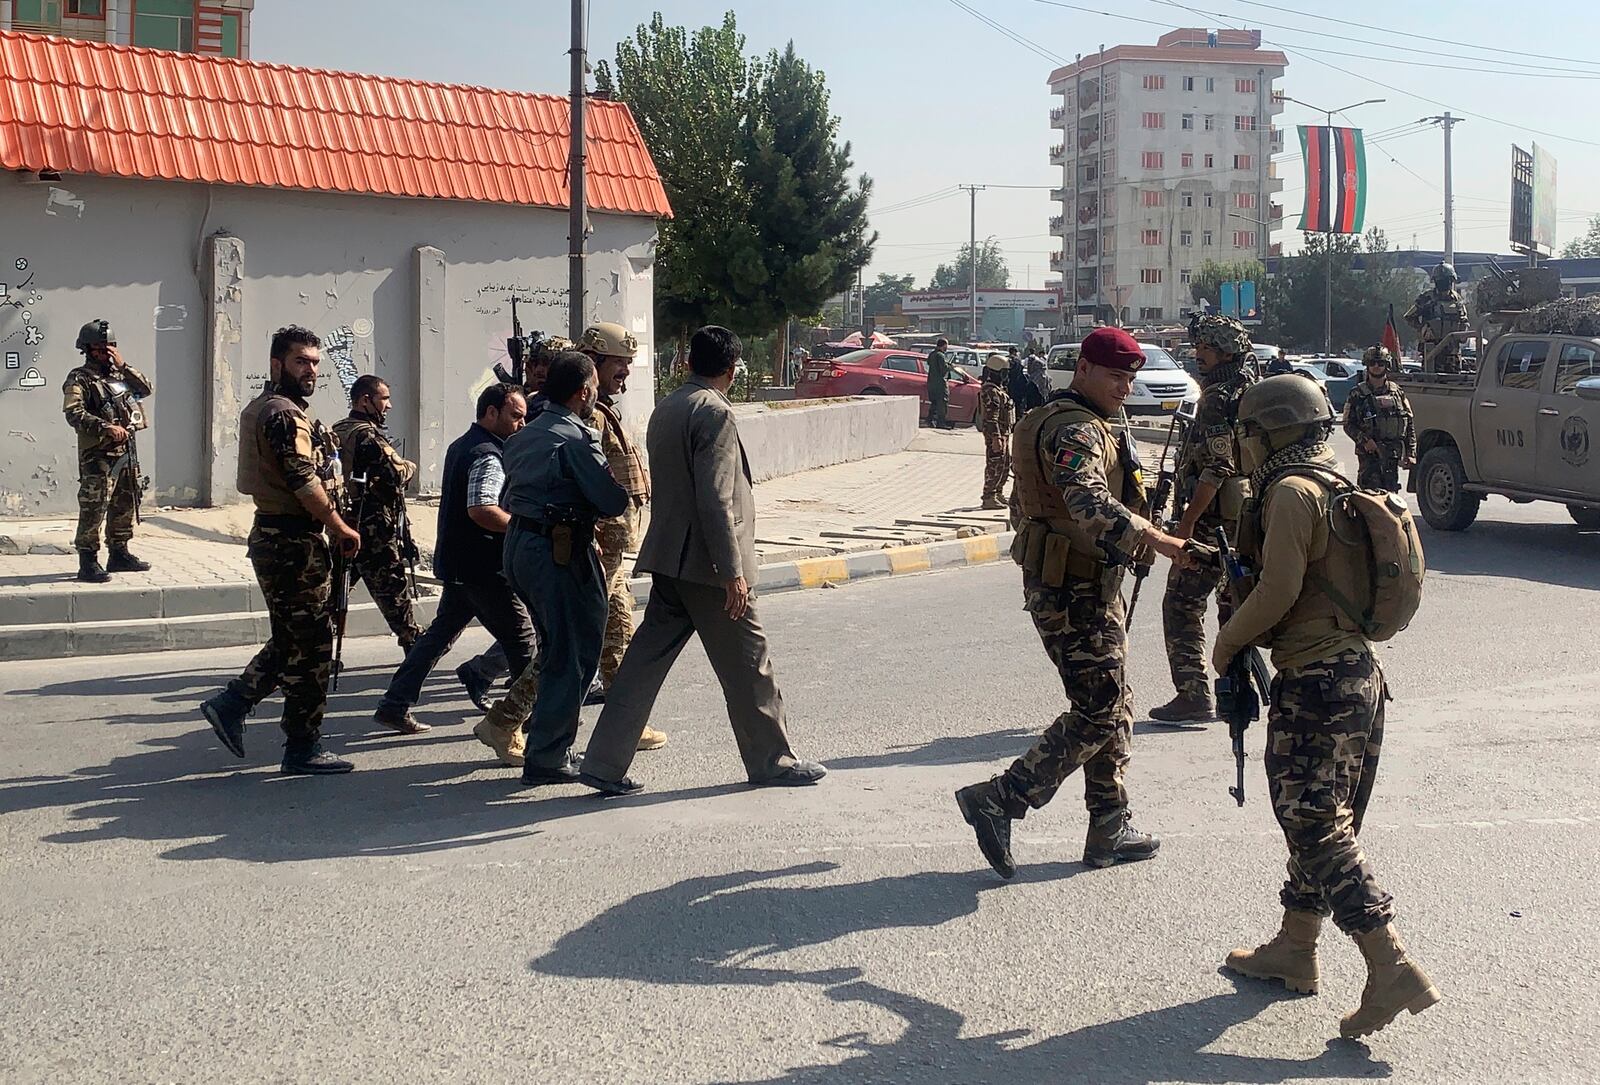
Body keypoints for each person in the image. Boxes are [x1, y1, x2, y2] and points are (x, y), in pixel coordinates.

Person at [1214, 375, 1440, 1039]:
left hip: (1316, 680)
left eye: (1249, 434)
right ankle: (1296, 945)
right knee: (1320, 816)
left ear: (1272, 432)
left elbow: (1280, 590)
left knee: (1315, 822)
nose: (1244, 447)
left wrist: (1226, 644)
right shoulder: (1337, 486)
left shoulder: (1290, 493)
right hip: (1359, 677)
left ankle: (1390, 963)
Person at [954, 326, 1196, 878]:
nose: (1123, 386)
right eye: (1114, 375)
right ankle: (1003, 796)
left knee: (1113, 701)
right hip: (1073, 588)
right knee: (1100, 707)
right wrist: (1159, 540)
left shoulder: (1076, 419)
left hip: (1084, 580)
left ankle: (1109, 822)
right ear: (1083, 369)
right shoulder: (1074, 430)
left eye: (1130, 377)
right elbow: (1086, 500)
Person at [578, 326, 828, 795]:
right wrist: (733, 572)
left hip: (671, 559)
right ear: (733, 369)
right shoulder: (714, 412)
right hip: (709, 567)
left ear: (689, 362)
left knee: (640, 668)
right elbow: (716, 499)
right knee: (751, 666)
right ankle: (773, 762)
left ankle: (603, 763)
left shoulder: (668, 407)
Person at [198, 326, 362, 774]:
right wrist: (340, 526)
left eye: (314, 362)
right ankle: (302, 746)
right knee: (310, 648)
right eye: (300, 362)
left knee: (296, 637)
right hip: (291, 541)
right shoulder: (284, 415)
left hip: (285, 537)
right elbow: (301, 480)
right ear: (277, 365)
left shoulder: (271, 409)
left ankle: (232, 705)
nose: (310, 370)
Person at [370, 384, 538, 750]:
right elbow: (481, 509)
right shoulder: (487, 454)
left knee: (436, 638)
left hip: (461, 564)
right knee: (525, 644)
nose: (521, 424)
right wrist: (526, 525)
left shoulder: (463, 444)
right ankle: (530, 726)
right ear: (490, 413)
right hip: (483, 569)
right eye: (515, 416)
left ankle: (394, 704)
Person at [493, 352, 630, 784]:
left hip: (520, 546)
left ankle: (544, 743)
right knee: (576, 653)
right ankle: (549, 755)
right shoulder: (577, 438)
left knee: (555, 647)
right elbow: (611, 500)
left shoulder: (523, 435)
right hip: (561, 550)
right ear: (583, 391)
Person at [1148, 314, 1257, 725]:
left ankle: (1193, 693)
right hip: (1241, 520)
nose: (1198, 356)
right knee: (1233, 607)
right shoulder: (1251, 389)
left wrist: (1187, 524)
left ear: (1225, 351)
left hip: (1212, 521)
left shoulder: (1217, 398)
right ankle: (1237, 690)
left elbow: (1217, 467)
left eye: (1206, 349)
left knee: (1181, 602)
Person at [331, 375, 423, 651]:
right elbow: (396, 473)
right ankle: (414, 644)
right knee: (392, 590)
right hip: (372, 528)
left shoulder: (338, 430)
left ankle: (316, 648)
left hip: (340, 522)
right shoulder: (367, 435)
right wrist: (410, 466)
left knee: (333, 592)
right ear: (365, 401)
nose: (389, 405)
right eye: (384, 399)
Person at [61, 320, 153, 583]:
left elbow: (145, 389)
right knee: (94, 506)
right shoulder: (79, 378)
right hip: (98, 456)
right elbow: (73, 412)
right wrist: (105, 427)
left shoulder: (119, 375)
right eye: (101, 348)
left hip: (127, 452)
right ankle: (88, 560)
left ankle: (120, 553)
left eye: (110, 346)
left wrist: (123, 366)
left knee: (125, 502)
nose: (106, 352)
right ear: (88, 350)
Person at [1342, 347, 1416, 493]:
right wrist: (1364, 440)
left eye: (1380, 363)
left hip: (1392, 454)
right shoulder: (1357, 394)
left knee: (1391, 497)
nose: (1376, 366)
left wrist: (1410, 453)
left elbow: (1409, 423)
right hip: (1369, 456)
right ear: (1367, 365)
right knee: (1368, 499)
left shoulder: (1397, 392)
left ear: (1386, 365)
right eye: (1372, 363)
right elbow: (1348, 424)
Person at [1403, 262, 1469, 374]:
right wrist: (1422, 329)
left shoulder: (1457, 299)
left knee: (1455, 383)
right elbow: (1409, 317)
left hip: (1452, 353)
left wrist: (1463, 332)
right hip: (1432, 352)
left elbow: (1464, 320)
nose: (1444, 283)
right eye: (1441, 280)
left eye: (1447, 280)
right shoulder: (1427, 298)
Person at [978, 354, 1014, 510]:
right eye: (1004, 372)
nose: (1006, 376)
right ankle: (989, 496)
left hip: (1003, 432)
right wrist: (995, 437)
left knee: (1004, 464)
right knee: (995, 464)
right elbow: (992, 417)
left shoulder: (998, 390)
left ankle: (998, 492)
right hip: (996, 433)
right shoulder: (991, 391)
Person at [926, 337, 952, 429]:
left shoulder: (932, 354)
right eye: (946, 345)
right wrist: (950, 366)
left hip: (931, 383)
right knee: (942, 404)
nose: (947, 347)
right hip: (940, 383)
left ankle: (930, 420)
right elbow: (943, 369)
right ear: (943, 345)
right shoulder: (940, 355)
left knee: (934, 403)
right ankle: (941, 423)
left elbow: (929, 363)